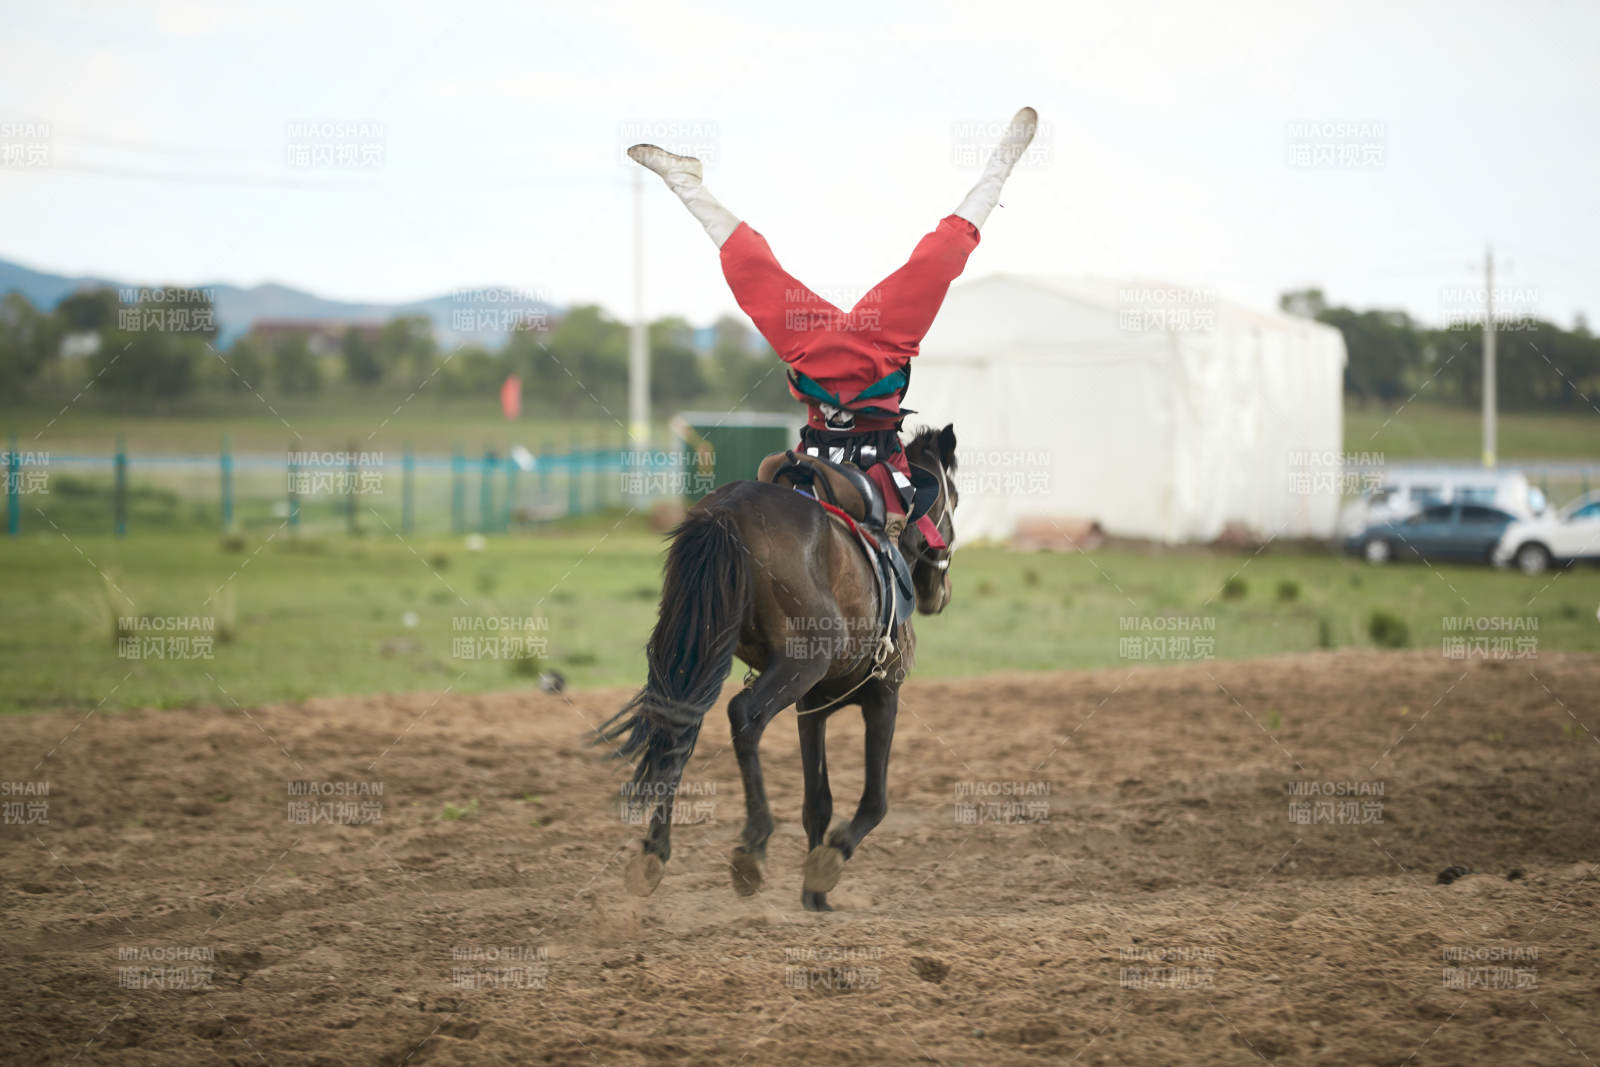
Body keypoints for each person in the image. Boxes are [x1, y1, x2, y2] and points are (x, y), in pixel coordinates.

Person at [628, 107, 1037, 542]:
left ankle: (999, 165)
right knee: (757, 266)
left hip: (841, 349)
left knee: (937, 257)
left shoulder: (827, 346)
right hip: (868, 348)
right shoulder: (868, 344)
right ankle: (685, 181)